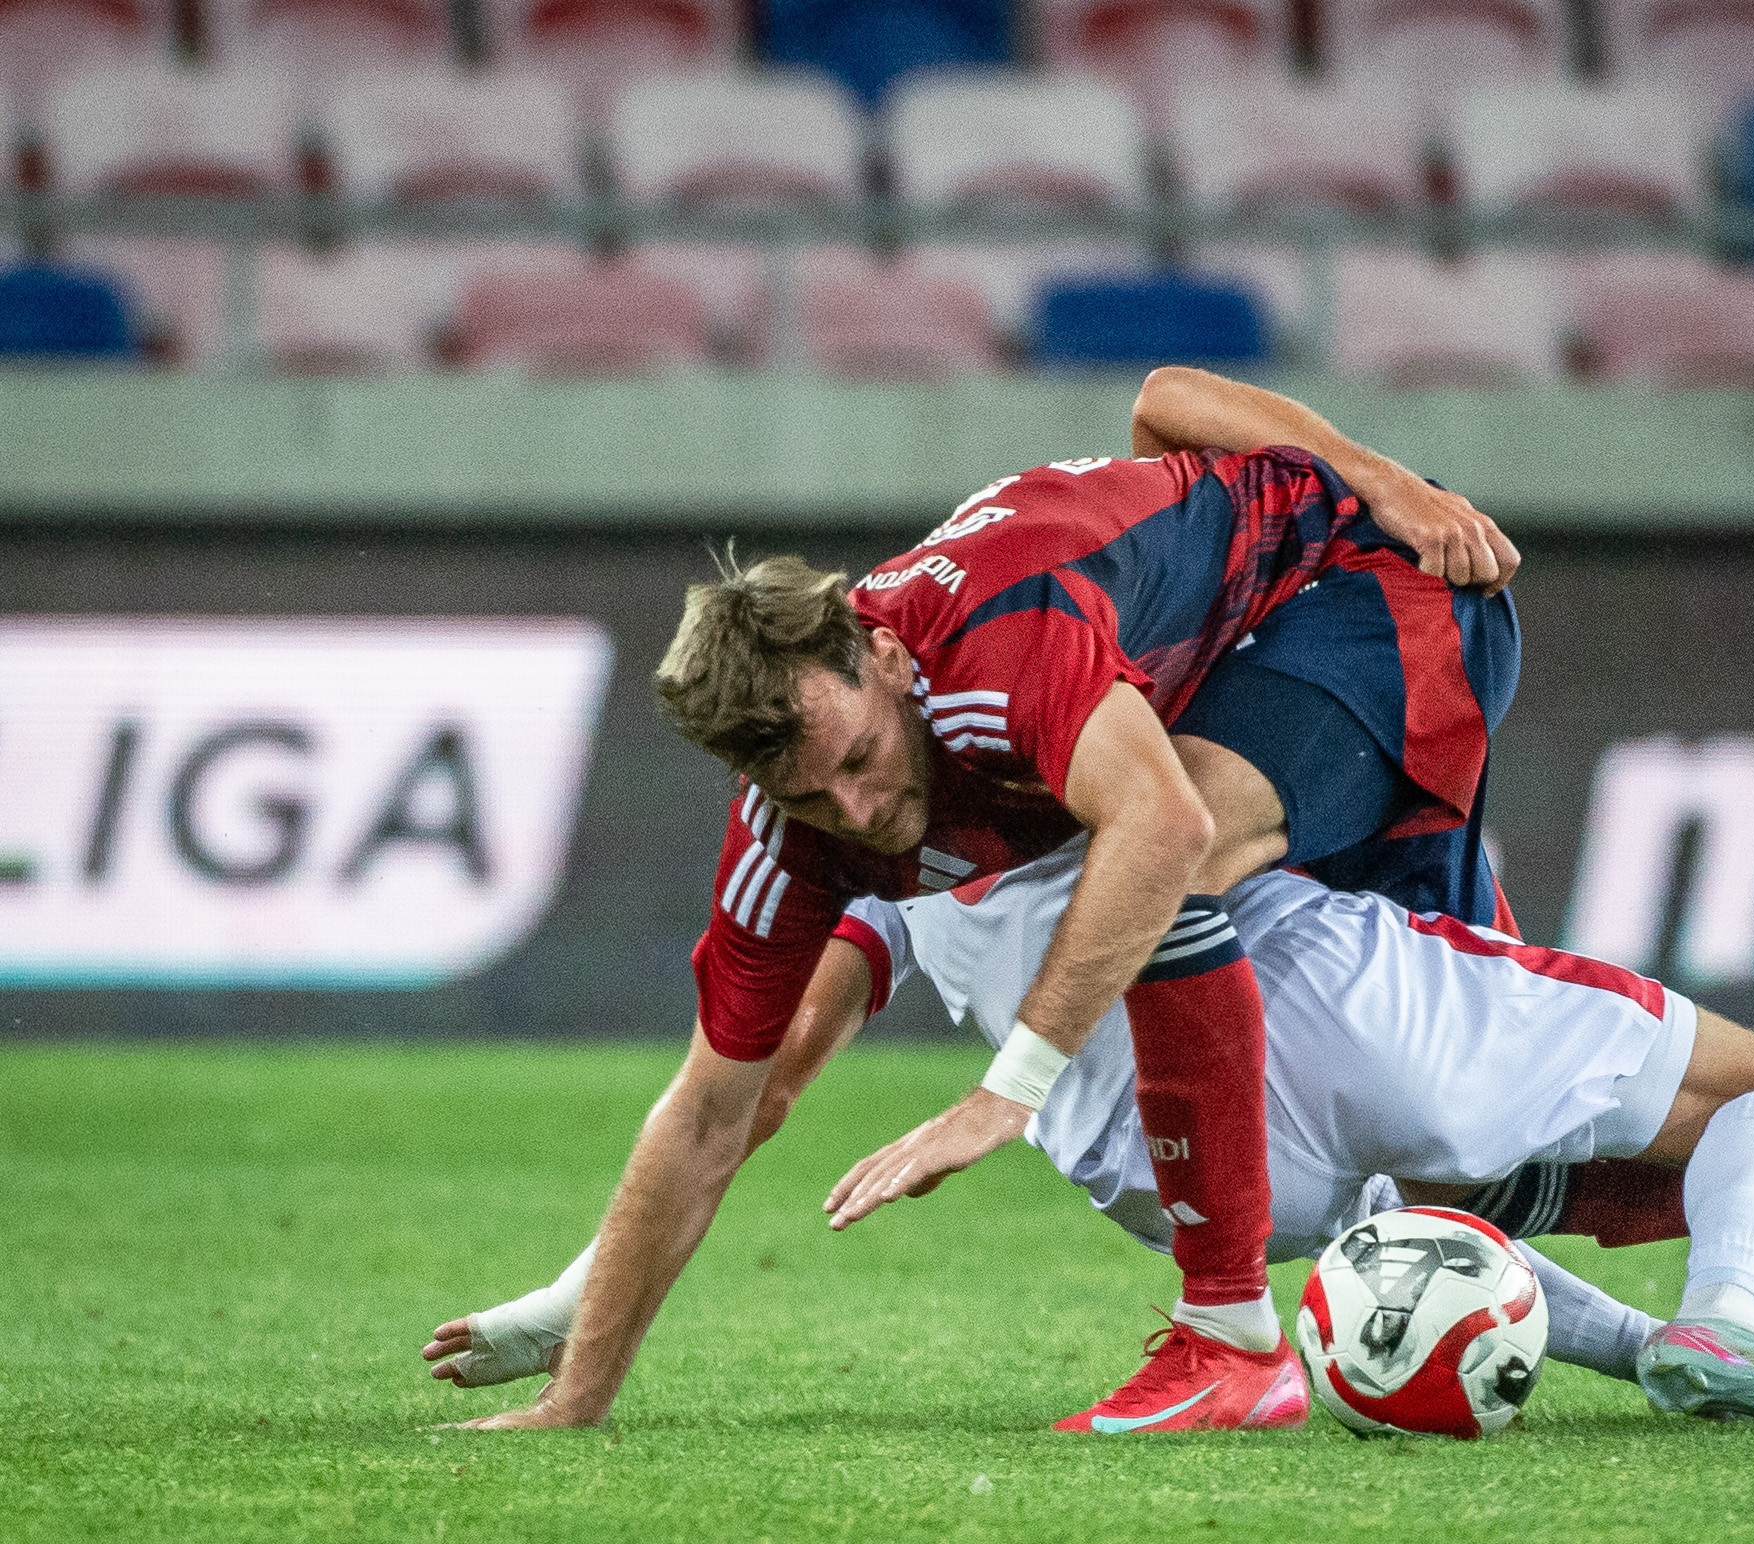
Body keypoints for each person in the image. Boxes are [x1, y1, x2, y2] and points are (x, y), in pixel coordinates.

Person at [446, 369, 1524, 1432]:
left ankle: (1229, 1338)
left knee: (1191, 890)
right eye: (809, 794)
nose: (859, 810)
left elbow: (1160, 396)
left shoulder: (996, 652)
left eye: (858, 759)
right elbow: (714, 1108)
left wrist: (1009, 1089)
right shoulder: (806, 819)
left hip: (1371, 586)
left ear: (883, 658)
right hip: (1201, 701)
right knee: (1486, 1104)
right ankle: (1595, 1303)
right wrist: (577, 1377)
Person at [429, 840, 1754, 1433]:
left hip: (1172, 1169)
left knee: (1483, 1203)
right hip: (1312, 996)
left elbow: (756, 1091)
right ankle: (1734, 1310)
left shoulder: (856, 855)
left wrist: (580, 1301)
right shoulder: (1067, 705)